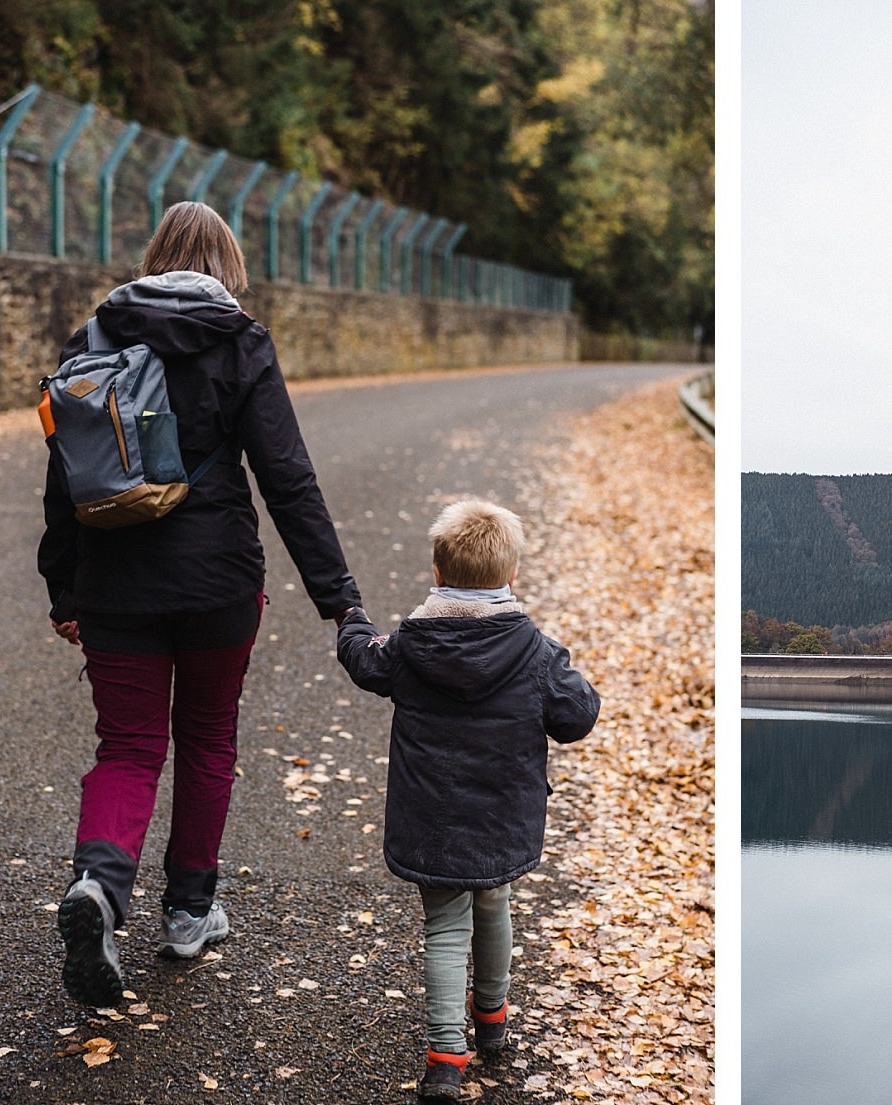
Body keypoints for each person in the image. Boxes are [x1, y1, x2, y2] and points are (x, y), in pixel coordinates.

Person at [38, 201, 361, 1008]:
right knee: (208, 739)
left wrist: (65, 588)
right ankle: (187, 911)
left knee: (128, 747)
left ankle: (101, 889)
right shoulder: (239, 338)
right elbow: (288, 478)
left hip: (116, 583)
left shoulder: (96, 337)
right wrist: (338, 598)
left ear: (154, 257)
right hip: (219, 582)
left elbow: (65, 477)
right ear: (228, 262)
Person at [335, 498, 599, 1101]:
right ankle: (492, 1019)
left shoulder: (407, 646)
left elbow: (362, 660)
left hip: (431, 816)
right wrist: (570, 679)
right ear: (512, 577)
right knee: (494, 902)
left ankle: (445, 1056)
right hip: (503, 814)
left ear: (436, 571)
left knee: (445, 924)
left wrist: (352, 618)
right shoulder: (537, 652)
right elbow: (577, 716)